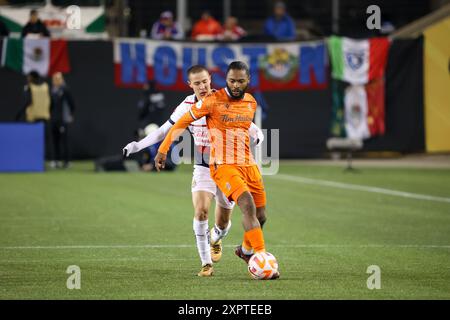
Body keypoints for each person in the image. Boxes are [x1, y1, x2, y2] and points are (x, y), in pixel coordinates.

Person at [123, 65, 264, 277]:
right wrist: (138, 145)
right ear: (190, 85)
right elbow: (165, 130)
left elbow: (242, 120)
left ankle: (216, 238)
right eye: (197, 83)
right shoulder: (187, 105)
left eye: (205, 81)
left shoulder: (221, 98)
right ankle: (206, 263)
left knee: (223, 223)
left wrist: (257, 132)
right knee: (201, 211)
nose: (202, 86)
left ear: (211, 80)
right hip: (204, 166)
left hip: (230, 166)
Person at [155, 61, 279, 279]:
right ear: (226, 80)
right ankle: (261, 258)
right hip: (222, 165)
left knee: (261, 216)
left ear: (248, 81)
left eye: (241, 81)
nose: (236, 85)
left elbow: (245, 130)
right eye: (231, 80)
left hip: (248, 165)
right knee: (246, 205)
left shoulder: (251, 103)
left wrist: (257, 137)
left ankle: (245, 250)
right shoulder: (212, 101)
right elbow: (182, 122)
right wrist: (163, 150)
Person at [16, 71, 53, 163]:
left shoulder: (30, 88)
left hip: (33, 118)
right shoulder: (45, 87)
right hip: (44, 117)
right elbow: (51, 101)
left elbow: (26, 102)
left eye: (29, 77)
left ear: (33, 78)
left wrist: (19, 114)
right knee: (43, 140)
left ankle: (32, 160)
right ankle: (43, 160)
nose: (27, 79)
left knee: (32, 140)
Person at [50, 72, 75, 169]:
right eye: (54, 79)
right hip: (54, 120)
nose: (56, 81)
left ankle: (67, 161)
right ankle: (56, 161)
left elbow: (72, 104)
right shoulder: (52, 91)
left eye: (58, 79)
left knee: (64, 141)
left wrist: (70, 115)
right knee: (55, 141)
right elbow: (51, 105)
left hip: (62, 120)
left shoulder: (65, 90)